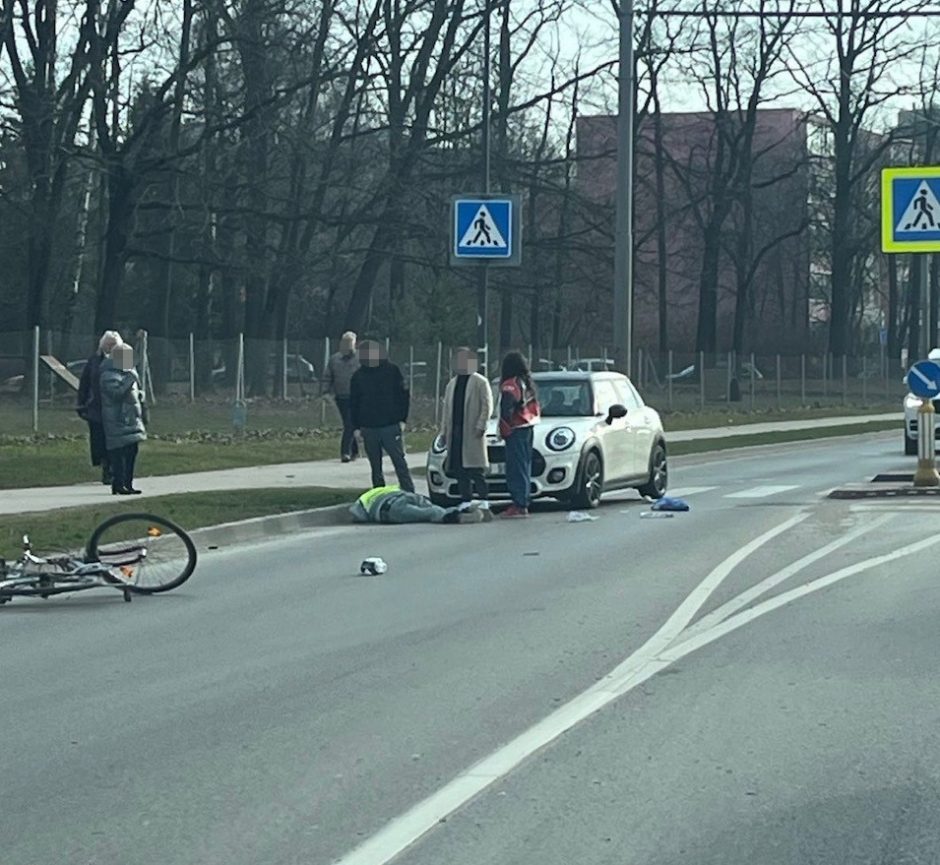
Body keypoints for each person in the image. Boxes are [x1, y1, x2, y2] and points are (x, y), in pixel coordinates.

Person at [350, 340, 415, 492]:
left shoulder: (392, 371)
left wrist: (402, 419)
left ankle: (409, 491)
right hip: (368, 426)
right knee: (375, 465)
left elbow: (403, 397)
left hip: (390, 425)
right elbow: (354, 403)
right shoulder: (358, 376)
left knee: (399, 461)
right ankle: (379, 493)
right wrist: (356, 427)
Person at [441, 347, 493, 510]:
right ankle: (466, 499)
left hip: (472, 430)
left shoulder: (480, 382)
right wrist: (444, 432)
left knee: (475, 468)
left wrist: (481, 425)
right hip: (455, 431)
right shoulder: (452, 383)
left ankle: (484, 499)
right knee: (459, 467)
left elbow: (487, 405)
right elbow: (446, 410)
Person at [99, 343, 147, 496]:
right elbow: (115, 394)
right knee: (119, 455)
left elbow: (131, 394)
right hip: (117, 420)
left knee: (131, 452)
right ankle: (118, 484)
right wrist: (129, 381)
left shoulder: (128, 373)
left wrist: (139, 395)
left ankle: (128, 483)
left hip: (131, 419)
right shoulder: (108, 375)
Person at [77, 330, 123, 485]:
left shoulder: (124, 358)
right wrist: (81, 404)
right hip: (96, 407)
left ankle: (114, 468)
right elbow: (85, 383)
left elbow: (132, 380)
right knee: (99, 439)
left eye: (113, 344)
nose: (110, 347)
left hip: (117, 408)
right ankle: (105, 465)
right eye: (108, 344)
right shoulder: (94, 360)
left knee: (115, 440)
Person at [498, 351, 541, 518]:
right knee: (525, 465)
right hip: (528, 426)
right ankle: (523, 500)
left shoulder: (510, 385)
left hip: (515, 428)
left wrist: (504, 426)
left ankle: (519, 504)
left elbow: (506, 407)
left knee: (515, 467)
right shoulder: (527, 383)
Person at [350, 485, 490, 524]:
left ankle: (458, 517)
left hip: (390, 508)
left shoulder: (362, 502)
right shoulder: (378, 490)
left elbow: (356, 514)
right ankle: (461, 509)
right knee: (431, 507)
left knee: (430, 513)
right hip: (404, 495)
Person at [323, 331, 360, 462]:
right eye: (345, 343)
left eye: (350, 343)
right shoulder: (334, 359)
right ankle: (351, 451)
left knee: (351, 424)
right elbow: (328, 377)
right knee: (349, 424)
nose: (347, 346)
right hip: (341, 396)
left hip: (357, 397)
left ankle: (348, 452)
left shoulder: (360, 359)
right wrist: (326, 392)